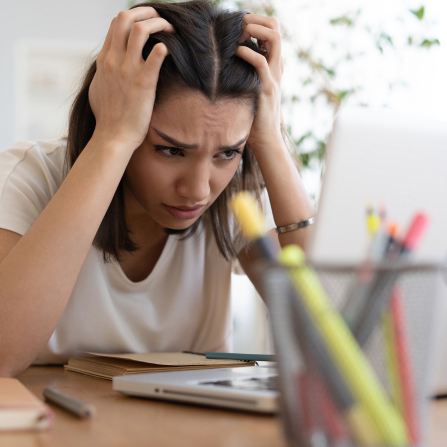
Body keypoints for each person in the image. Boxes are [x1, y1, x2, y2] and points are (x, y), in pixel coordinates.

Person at [0, 0, 314, 377]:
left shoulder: (238, 195)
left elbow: (333, 348)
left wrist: (272, 141)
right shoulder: (27, 179)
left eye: (228, 152)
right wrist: (112, 138)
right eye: (171, 149)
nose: (197, 190)